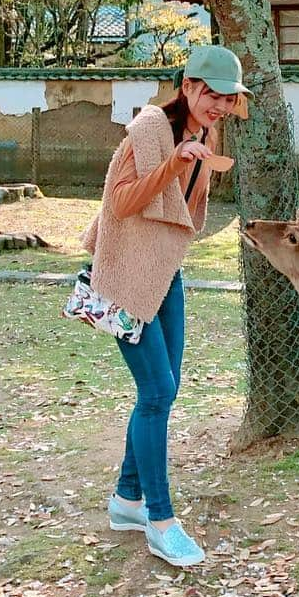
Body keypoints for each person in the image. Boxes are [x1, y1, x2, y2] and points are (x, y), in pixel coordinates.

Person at [81, 44, 250, 567]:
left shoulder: (207, 134)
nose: (219, 106)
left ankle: (126, 500)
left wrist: (195, 168)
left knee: (163, 392)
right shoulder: (151, 127)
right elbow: (122, 202)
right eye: (212, 95)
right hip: (122, 276)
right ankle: (161, 519)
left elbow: (186, 213)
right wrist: (173, 164)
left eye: (228, 99)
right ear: (188, 85)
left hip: (165, 274)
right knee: (156, 391)